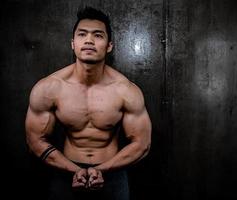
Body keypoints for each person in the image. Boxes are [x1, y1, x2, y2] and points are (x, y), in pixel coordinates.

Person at [25, 6, 152, 200]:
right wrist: (74, 170)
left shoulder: (126, 91)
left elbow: (142, 144)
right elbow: (35, 140)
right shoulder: (49, 88)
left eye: (98, 35)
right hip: (64, 171)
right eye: (82, 34)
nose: (89, 41)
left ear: (109, 45)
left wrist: (101, 170)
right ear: (73, 43)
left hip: (113, 174)